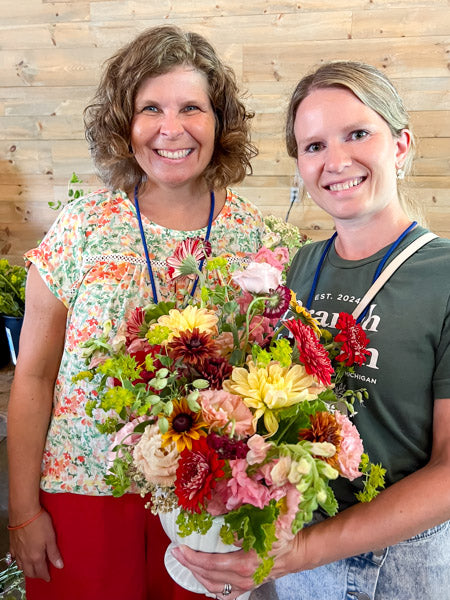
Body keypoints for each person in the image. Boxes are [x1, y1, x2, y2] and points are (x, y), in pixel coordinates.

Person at [172, 61, 450, 600]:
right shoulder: (297, 268)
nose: (336, 160)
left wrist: (303, 552)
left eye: (358, 134)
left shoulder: (442, 274)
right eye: (314, 146)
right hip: (291, 552)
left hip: (396, 566)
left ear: (400, 144)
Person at [7, 25, 265, 600]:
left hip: (209, 500)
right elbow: (34, 375)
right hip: (83, 494)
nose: (171, 129)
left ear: (220, 122)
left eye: (191, 108)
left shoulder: (261, 238)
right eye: (151, 108)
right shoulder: (80, 227)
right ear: (124, 125)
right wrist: (23, 511)